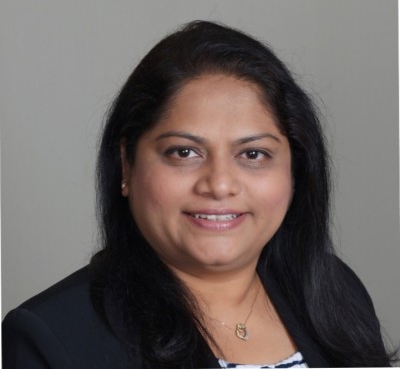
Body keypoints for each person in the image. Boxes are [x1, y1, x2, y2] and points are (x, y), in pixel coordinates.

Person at [2, 21, 395, 368]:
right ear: (126, 165)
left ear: (296, 170)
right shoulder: (54, 336)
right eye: (184, 152)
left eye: (253, 154)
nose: (220, 184)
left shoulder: (336, 292)